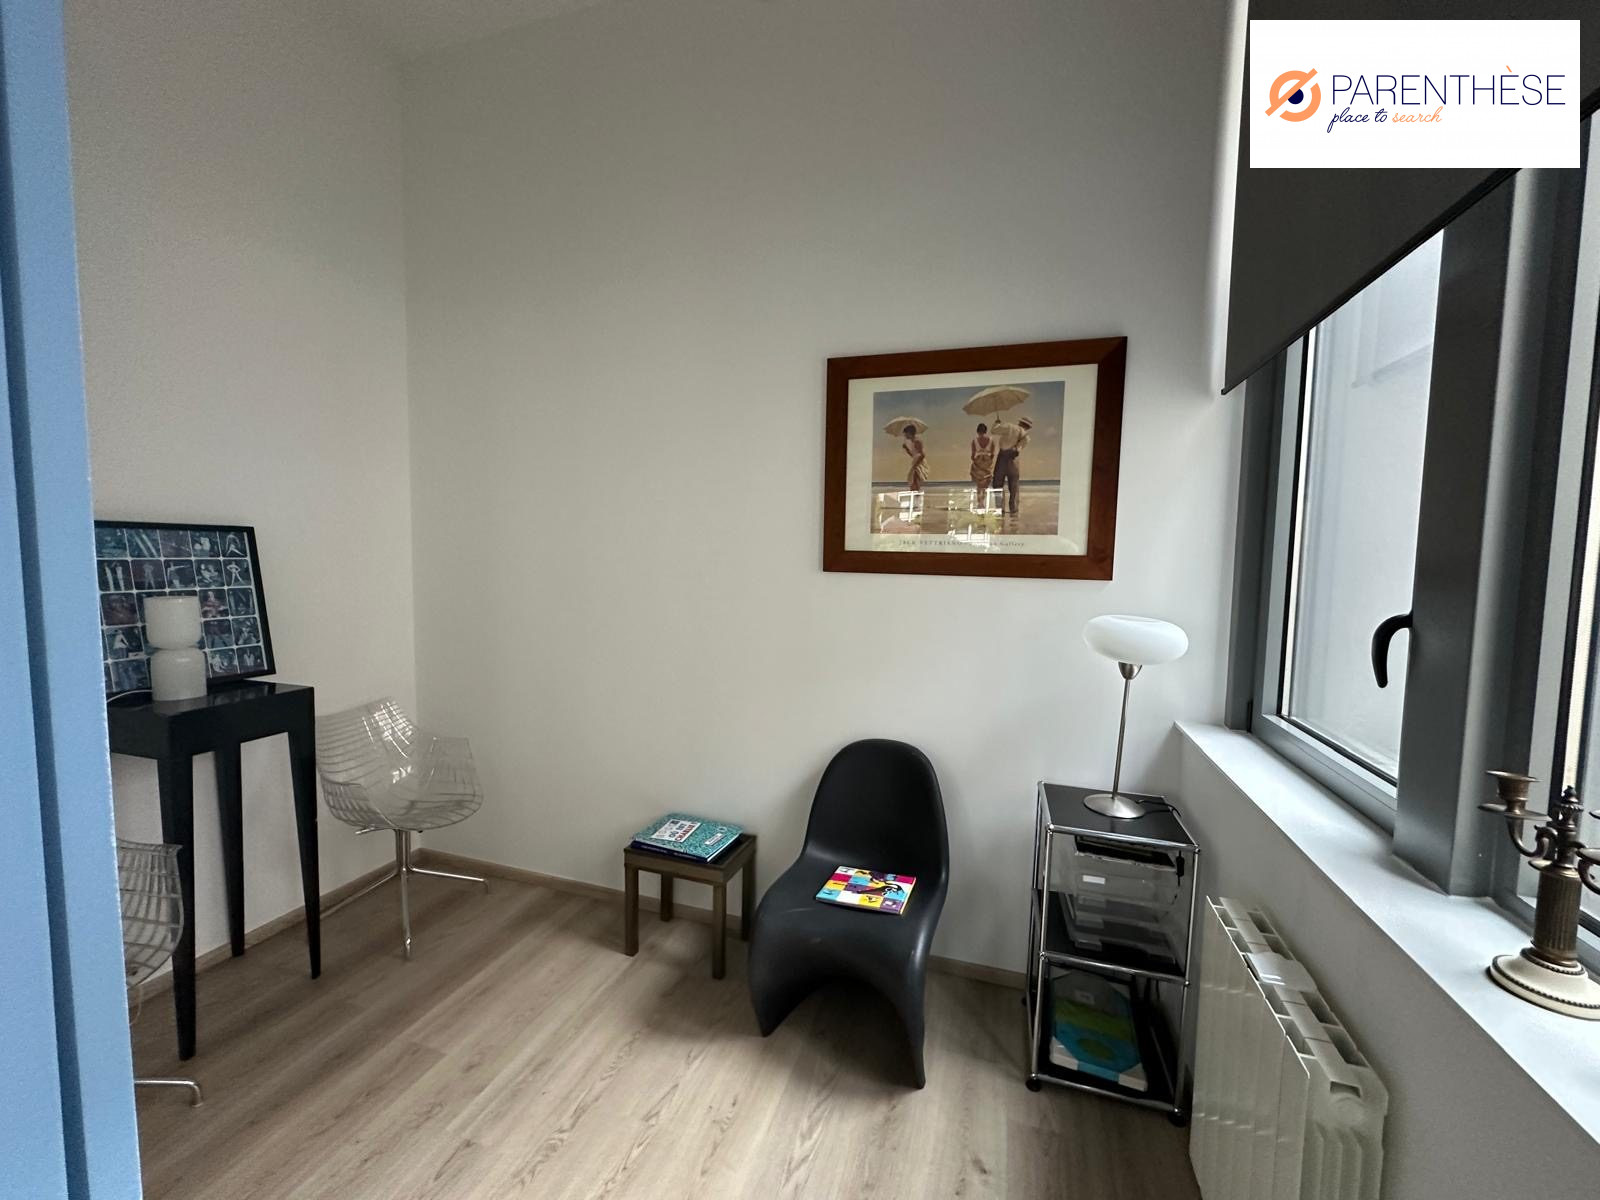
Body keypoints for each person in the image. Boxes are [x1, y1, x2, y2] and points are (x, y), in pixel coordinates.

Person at [989, 415, 1032, 515]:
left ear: (1019, 422)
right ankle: (1014, 510)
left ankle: (1000, 509)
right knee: (1014, 486)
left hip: (1002, 458)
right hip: (1014, 460)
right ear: (1028, 427)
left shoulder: (1009, 427)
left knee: (997, 484)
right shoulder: (1027, 437)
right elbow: (1018, 449)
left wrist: (997, 423)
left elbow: (994, 431)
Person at [970, 422, 996, 507]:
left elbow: (972, 455)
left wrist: (977, 460)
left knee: (979, 485)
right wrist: (987, 460)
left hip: (978, 463)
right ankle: (983, 501)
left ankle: (980, 502)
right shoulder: (991, 440)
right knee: (985, 484)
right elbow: (993, 454)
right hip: (987, 463)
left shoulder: (974, 441)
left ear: (978, 431)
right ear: (985, 431)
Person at [902, 423, 929, 491]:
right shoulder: (912, 441)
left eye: (906, 434)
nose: (905, 435)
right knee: (913, 478)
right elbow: (913, 455)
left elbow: (922, 455)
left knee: (914, 478)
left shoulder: (917, 441)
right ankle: (915, 491)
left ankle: (915, 491)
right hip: (916, 461)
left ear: (909, 433)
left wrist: (915, 465)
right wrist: (907, 449)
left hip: (919, 461)